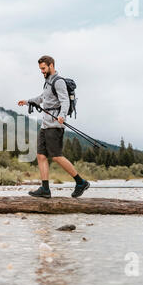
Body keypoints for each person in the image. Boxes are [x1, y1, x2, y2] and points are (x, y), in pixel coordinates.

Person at [18, 56, 90, 198]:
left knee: (56, 156)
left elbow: (65, 101)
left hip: (55, 125)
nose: (42, 71)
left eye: (43, 68)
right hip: (45, 125)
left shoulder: (59, 82)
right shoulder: (47, 82)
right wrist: (27, 102)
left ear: (51, 65)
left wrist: (62, 115)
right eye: (40, 69)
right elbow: (42, 98)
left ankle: (80, 182)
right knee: (41, 155)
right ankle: (45, 189)